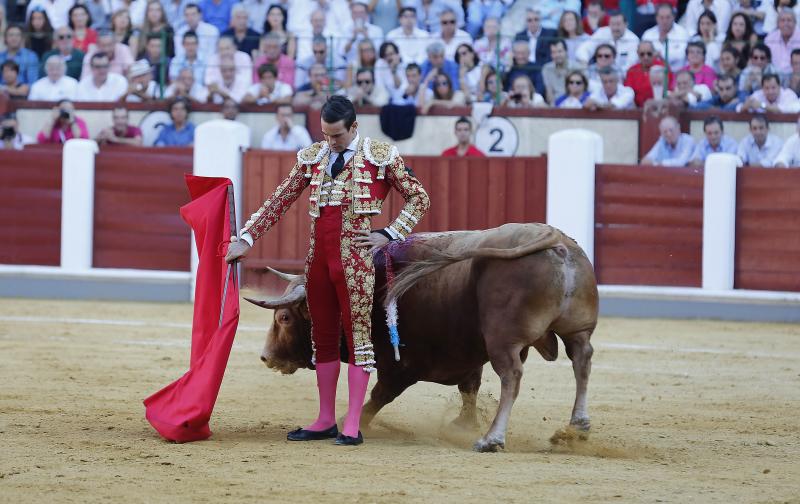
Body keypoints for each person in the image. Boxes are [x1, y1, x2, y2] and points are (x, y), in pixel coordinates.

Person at [225, 95, 430, 447]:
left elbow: (419, 197)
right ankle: (324, 419)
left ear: (354, 127)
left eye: (336, 136)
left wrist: (389, 233)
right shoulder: (313, 156)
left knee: (359, 340)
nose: (330, 143)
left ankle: (352, 423)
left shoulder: (380, 156)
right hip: (317, 262)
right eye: (324, 135)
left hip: (355, 264)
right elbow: (280, 199)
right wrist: (246, 237)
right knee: (322, 339)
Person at [642, 3, 689, 71]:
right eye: (661, 17)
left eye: (668, 17)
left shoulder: (682, 33)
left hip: (676, 74)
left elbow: (681, 56)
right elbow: (643, 56)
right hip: (652, 75)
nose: (665, 21)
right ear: (656, 18)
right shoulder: (648, 34)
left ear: (673, 17)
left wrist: (660, 55)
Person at [625, 41, 667, 107]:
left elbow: (668, 90)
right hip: (637, 108)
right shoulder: (632, 70)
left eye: (649, 54)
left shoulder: (662, 68)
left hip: (659, 107)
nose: (646, 57)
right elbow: (628, 92)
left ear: (654, 53)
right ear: (638, 54)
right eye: (642, 54)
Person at [542, 38, 583, 105]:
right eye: (553, 52)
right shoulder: (547, 69)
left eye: (560, 51)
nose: (557, 55)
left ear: (566, 51)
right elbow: (549, 92)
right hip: (556, 105)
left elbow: (583, 91)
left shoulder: (578, 68)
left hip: (576, 104)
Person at [765, 8, 800, 74]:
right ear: (778, 24)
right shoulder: (770, 38)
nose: (785, 24)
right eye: (782, 20)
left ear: (795, 23)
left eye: (789, 20)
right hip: (774, 78)